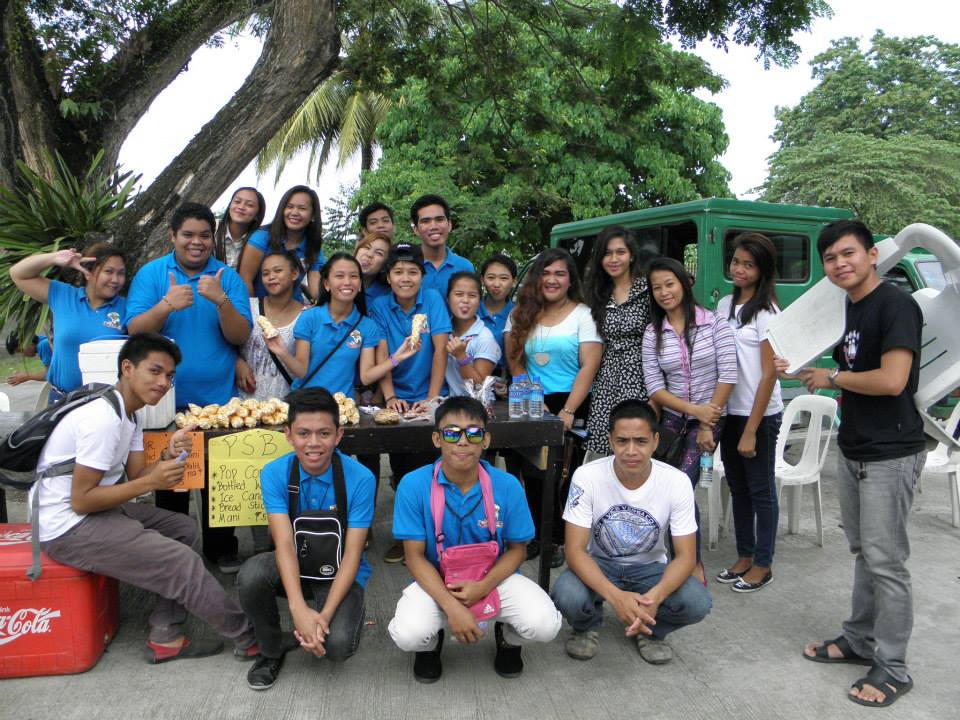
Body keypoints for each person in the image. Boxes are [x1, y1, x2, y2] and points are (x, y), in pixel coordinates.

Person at [30, 333, 257, 664]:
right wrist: (151, 481)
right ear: (127, 368)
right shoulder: (102, 419)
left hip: (97, 512)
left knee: (183, 529)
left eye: (169, 376)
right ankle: (251, 638)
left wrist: (167, 453)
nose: (163, 382)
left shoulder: (130, 414)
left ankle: (166, 634)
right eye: (155, 371)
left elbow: (137, 475)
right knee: (181, 561)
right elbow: (82, 500)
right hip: (68, 527)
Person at [789, 220, 924, 709]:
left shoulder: (896, 305)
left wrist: (833, 377)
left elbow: (892, 381)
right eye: (830, 258)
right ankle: (858, 640)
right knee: (866, 553)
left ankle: (893, 667)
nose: (839, 263)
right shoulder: (849, 305)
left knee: (887, 563)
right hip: (855, 446)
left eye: (848, 253)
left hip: (892, 451)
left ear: (872, 255)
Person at [387, 396, 561, 682]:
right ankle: (430, 646)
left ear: (486, 439)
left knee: (544, 624)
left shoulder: (506, 486)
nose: (463, 441)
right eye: (451, 433)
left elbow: (518, 549)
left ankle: (508, 639)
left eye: (474, 432)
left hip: (493, 578)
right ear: (436, 439)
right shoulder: (414, 484)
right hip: (437, 580)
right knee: (409, 634)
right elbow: (414, 556)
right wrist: (453, 607)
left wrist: (482, 587)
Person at [126, 202, 252, 573]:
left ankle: (221, 548)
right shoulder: (152, 275)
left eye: (203, 235)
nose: (196, 242)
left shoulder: (226, 277)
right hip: (164, 403)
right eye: (188, 235)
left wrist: (221, 300)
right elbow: (134, 330)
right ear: (173, 237)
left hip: (218, 403)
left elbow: (241, 334)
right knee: (172, 480)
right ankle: (175, 549)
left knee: (220, 481)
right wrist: (167, 304)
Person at [551, 400, 712, 664]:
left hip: (649, 568)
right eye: (622, 441)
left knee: (697, 601)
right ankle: (586, 625)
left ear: (655, 441)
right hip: (599, 563)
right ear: (610, 440)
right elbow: (574, 551)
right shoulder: (586, 476)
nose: (631, 451)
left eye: (640, 441)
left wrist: (655, 597)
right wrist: (617, 598)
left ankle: (650, 630)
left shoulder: (677, 481)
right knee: (566, 594)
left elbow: (685, 557)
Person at [237, 387, 375, 691]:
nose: (314, 443)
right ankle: (271, 650)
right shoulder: (274, 473)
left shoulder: (361, 478)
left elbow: (353, 554)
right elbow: (283, 543)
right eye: (303, 433)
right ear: (288, 434)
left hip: (338, 569)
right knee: (250, 575)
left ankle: (336, 611)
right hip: (295, 562)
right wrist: (298, 610)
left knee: (337, 647)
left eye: (324, 433)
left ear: (339, 435)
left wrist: (322, 617)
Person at [504, 247, 602, 564]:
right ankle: (534, 536)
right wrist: (534, 401)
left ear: (570, 279)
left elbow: (589, 365)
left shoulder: (584, 315)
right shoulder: (520, 313)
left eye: (560, 273)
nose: (552, 279)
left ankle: (559, 540)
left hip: (571, 403)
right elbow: (515, 362)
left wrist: (568, 411)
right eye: (546, 272)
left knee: (564, 476)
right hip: (530, 402)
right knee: (530, 474)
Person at [641, 257, 736, 582]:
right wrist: (692, 410)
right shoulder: (653, 334)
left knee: (683, 483)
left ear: (685, 283)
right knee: (669, 486)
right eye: (657, 287)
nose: (664, 292)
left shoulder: (715, 323)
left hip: (711, 418)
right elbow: (655, 386)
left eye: (670, 283)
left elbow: (728, 374)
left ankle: (690, 563)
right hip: (671, 420)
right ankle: (675, 557)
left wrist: (706, 422)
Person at [369, 242, 451, 563]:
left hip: (431, 394)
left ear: (422, 275)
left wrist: (431, 400)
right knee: (403, 474)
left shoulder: (431, 300)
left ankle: (438, 538)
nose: (406, 278)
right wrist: (390, 397)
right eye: (399, 272)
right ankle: (407, 540)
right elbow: (382, 355)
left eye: (413, 272)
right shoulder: (377, 306)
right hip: (398, 397)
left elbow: (440, 351)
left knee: (434, 468)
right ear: (388, 276)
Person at [716, 233, 783, 593]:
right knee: (738, 487)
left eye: (748, 264)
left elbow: (769, 372)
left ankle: (763, 563)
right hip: (730, 412)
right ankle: (744, 555)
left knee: (761, 490)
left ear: (762, 270)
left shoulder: (768, 312)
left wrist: (751, 429)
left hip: (759, 414)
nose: (739, 269)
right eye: (736, 261)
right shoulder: (725, 304)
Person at [268, 252, 412, 399]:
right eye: (339, 276)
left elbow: (366, 377)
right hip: (306, 403)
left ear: (360, 285)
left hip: (343, 407)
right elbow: (301, 371)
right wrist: (283, 352)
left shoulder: (367, 326)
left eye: (354, 276)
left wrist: (397, 358)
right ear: (326, 284)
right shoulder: (309, 317)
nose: (347, 282)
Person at [10, 243, 127, 403]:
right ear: (88, 273)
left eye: (121, 273)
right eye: (108, 271)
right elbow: (18, 274)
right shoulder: (63, 296)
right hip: (61, 400)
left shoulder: (127, 307)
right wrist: (54, 258)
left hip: (107, 403)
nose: (115, 279)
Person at [584, 226, 652, 461]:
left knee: (637, 448)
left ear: (632, 254)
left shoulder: (648, 289)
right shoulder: (596, 294)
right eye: (607, 253)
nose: (614, 259)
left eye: (620, 252)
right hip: (606, 382)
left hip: (643, 378)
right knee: (606, 449)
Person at [236, 250, 306, 402]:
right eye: (265, 273)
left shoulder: (307, 316)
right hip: (244, 407)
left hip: (285, 406)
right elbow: (225, 342)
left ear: (294, 274)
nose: (271, 277)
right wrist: (237, 363)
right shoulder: (248, 306)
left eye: (278, 271)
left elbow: (304, 368)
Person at [239, 185, 324, 301]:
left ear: (313, 215)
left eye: (302, 208)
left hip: (294, 311)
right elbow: (245, 280)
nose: (294, 212)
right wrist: (254, 312)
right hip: (258, 310)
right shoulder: (262, 237)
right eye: (289, 207)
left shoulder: (313, 247)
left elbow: (316, 291)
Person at [444, 271, 501, 396]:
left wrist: (461, 357)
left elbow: (480, 388)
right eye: (458, 294)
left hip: (473, 408)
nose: (465, 300)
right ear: (448, 299)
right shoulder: (442, 331)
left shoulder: (484, 338)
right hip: (445, 403)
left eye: (472, 295)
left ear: (479, 301)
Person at [409, 194, 474, 296]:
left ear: (449, 225)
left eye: (439, 219)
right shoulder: (407, 267)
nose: (433, 226)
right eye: (425, 221)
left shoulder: (464, 267)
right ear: (416, 229)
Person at [478, 253, 517, 373]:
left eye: (504, 278)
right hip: (472, 380)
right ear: (482, 280)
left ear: (514, 281)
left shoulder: (520, 315)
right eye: (491, 277)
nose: (496, 284)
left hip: (509, 381)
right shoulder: (469, 312)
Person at [214, 187, 266, 269]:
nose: (241, 207)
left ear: (257, 215)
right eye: (237, 202)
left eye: (250, 205)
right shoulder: (212, 227)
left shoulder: (259, 240)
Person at [355, 232, 392, 307]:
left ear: (384, 266)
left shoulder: (387, 296)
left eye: (379, 253)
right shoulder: (333, 281)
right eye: (366, 247)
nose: (369, 254)